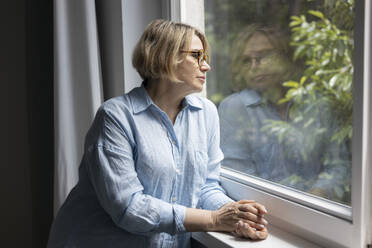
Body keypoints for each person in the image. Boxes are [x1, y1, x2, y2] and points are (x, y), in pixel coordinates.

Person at [47, 19, 268, 248]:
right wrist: (213, 219)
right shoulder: (115, 117)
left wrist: (238, 216)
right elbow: (129, 209)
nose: (206, 66)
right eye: (196, 55)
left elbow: (205, 187)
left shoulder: (206, 113)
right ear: (165, 57)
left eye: (205, 58)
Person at [218, 24, 350, 203]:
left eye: (263, 56)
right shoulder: (234, 108)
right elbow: (239, 182)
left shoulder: (316, 104)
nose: (255, 66)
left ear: (285, 57)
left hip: (322, 212)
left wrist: (318, 194)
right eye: (246, 61)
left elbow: (340, 165)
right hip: (267, 218)